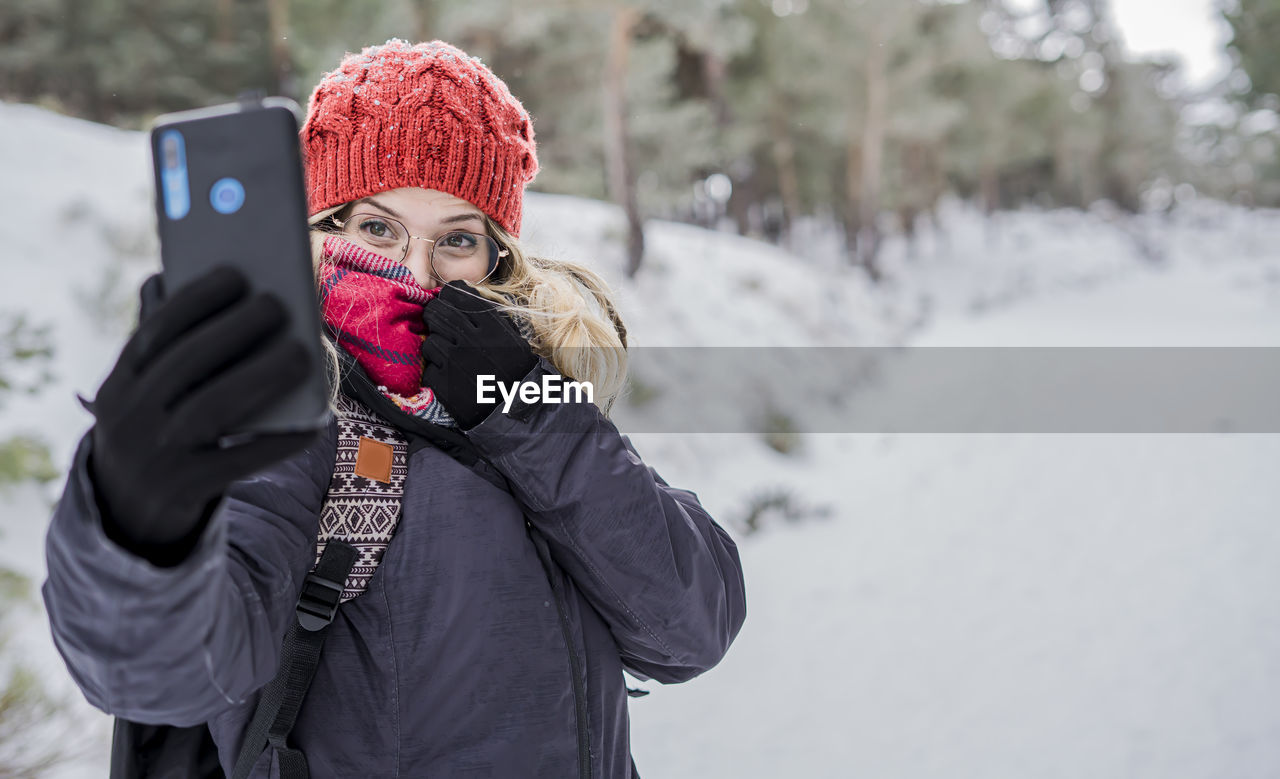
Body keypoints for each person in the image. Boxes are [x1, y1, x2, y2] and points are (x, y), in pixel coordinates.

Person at [42, 39, 746, 778]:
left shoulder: (531, 397)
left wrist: (531, 412)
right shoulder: (288, 419)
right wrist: (136, 521)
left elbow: (689, 627)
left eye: (457, 239)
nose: (414, 271)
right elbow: (168, 669)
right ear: (323, 232)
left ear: (497, 256)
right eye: (378, 228)